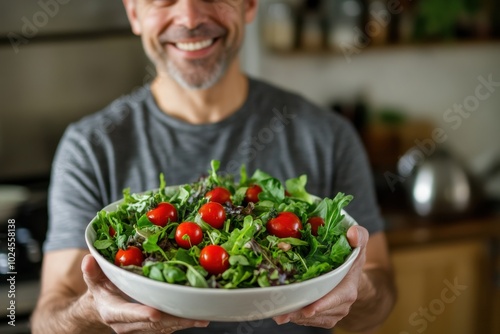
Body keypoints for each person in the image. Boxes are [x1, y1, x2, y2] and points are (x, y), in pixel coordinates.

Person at [31, 0, 396, 333]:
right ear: (133, 13)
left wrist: (356, 287)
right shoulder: (90, 148)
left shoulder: (329, 135)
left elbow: (382, 298)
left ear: (249, 5)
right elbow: (48, 319)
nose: (189, 17)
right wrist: (89, 311)